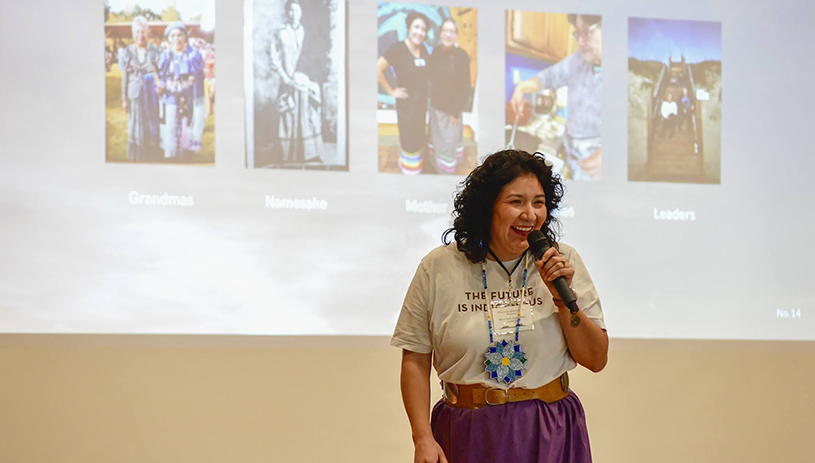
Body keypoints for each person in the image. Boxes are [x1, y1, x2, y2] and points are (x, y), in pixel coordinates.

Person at [392, 149, 608, 463]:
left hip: (549, 429)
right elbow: (414, 359)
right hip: (468, 429)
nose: (530, 215)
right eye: (516, 202)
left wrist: (562, 300)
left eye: (539, 202)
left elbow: (596, 358)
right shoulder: (439, 267)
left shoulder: (563, 261)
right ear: (487, 207)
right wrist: (422, 437)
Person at [510, 14, 602, 180]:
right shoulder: (578, 60)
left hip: (598, 170)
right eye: (577, 34)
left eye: (587, 33)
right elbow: (549, 77)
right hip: (574, 160)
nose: (580, 42)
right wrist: (522, 87)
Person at [377, 12, 431, 174]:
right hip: (407, 108)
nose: (419, 32)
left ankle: (416, 170)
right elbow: (377, 68)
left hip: (421, 107)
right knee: (409, 142)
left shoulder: (423, 50)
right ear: (409, 27)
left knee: (419, 140)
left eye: (423, 29)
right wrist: (391, 91)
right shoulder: (398, 49)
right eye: (416, 27)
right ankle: (409, 174)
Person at [271, 0, 323, 164]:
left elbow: (312, 57)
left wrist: (306, 78)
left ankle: (308, 153)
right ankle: (288, 155)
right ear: (287, 12)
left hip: (303, 80)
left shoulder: (305, 32)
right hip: (287, 80)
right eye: (291, 10)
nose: (294, 14)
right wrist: (285, 77)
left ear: (301, 13)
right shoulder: (280, 32)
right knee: (288, 114)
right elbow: (274, 57)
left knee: (308, 116)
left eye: (297, 10)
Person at [428, 18, 471, 174]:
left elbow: (466, 87)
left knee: (448, 145)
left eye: (451, 31)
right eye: (445, 31)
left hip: (451, 112)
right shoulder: (435, 52)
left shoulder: (461, 55)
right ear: (440, 33)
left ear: (456, 36)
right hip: (436, 109)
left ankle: (446, 174)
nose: (447, 34)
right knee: (438, 144)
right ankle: (437, 169)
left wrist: (455, 111)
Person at [157, 22, 205, 159]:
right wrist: (162, 85)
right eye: (172, 35)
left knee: (186, 125)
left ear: (185, 37)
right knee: (171, 125)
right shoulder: (166, 55)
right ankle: (171, 152)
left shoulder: (193, 55)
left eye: (179, 35)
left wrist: (193, 78)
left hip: (187, 97)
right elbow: (161, 76)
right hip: (170, 95)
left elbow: (198, 75)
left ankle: (185, 152)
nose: (176, 38)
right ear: (168, 39)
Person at [119, 16, 161, 161]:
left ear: (148, 32)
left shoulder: (155, 51)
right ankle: (136, 155)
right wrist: (124, 99)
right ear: (133, 34)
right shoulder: (127, 52)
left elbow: (160, 75)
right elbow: (125, 77)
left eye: (143, 32)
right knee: (135, 123)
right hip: (134, 95)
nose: (140, 36)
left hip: (151, 95)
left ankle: (151, 154)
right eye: (137, 32)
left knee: (151, 122)